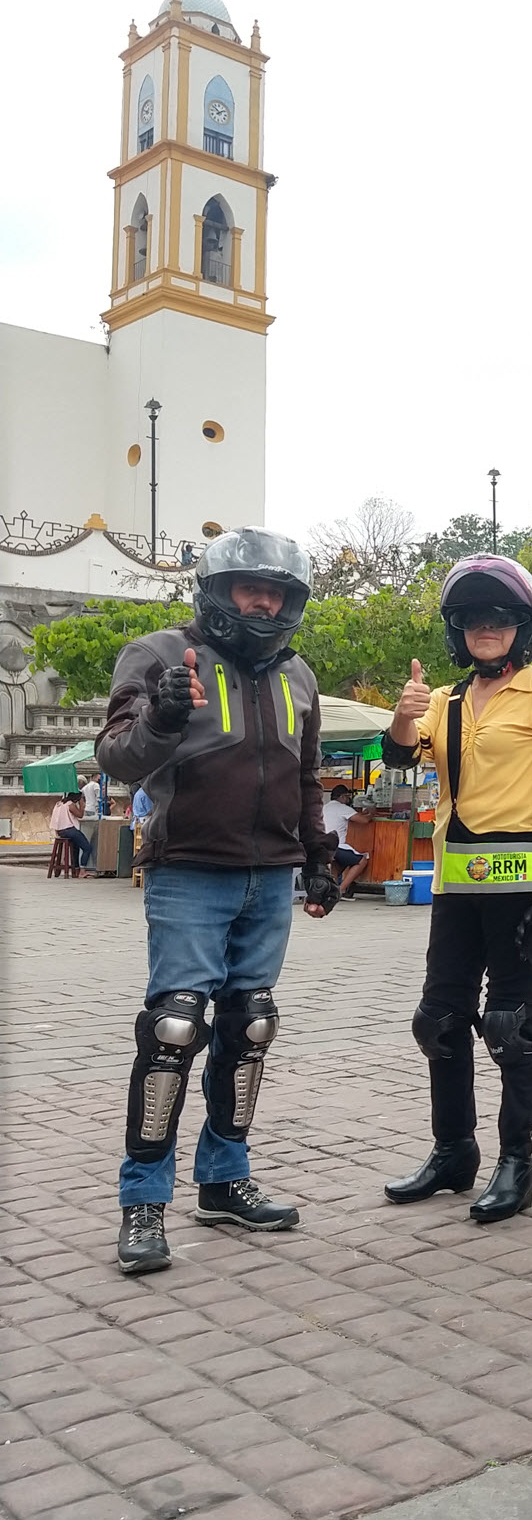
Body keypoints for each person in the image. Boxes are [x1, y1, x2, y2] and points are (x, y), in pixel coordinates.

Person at [97, 528, 338, 1275]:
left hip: (270, 875)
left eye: (278, 592)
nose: (264, 603)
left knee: (251, 1027)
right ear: (218, 591)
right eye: (249, 589)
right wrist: (163, 715)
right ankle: (143, 1201)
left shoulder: (296, 674)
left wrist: (320, 857)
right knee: (173, 1028)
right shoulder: (161, 655)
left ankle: (224, 1179)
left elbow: (306, 778)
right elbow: (117, 758)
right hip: (190, 870)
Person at [380, 556, 532, 1223]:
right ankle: (453, 1152)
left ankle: (515, 1161)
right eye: (473, 618)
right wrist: (403, 715)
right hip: (454, 879)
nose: (486, 628)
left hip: (521, 877)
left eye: (500, 618)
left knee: (509, 1023)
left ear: (521, 627)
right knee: (439, 1020)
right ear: (457, 631)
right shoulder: (441, 702)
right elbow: (398, 758)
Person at [322, 784, 370, 895]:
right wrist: (371, 813)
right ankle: (341, 889)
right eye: (347, 797)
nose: (349, 800)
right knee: (361, 861)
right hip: (335, 846)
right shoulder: (342, 808)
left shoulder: (324, 807)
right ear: (342, 797)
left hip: (322, 845)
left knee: (338, 863)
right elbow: (363, 820)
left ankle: (331, 890)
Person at [50, 791, 94, 871]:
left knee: (75, 846)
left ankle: (76, 869)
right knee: (87, 848)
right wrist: (82, 805)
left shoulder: (59, 803)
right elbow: (80, 815)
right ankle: (82, 870)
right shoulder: (70, 805)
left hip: (60, 831)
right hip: (69, 830)